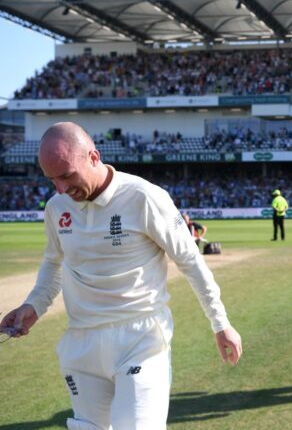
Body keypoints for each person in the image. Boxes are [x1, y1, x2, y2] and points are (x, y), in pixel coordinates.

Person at [0, 122, 243, 430]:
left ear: (93, 157)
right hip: (82, 342)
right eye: (52, 180)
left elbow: (190, 260)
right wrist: (33, 306)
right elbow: (54, 263)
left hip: (140, 339)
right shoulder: (56, 207)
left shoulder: (144, 197)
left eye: (66, 175)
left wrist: (220, 323)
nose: (61, 188)